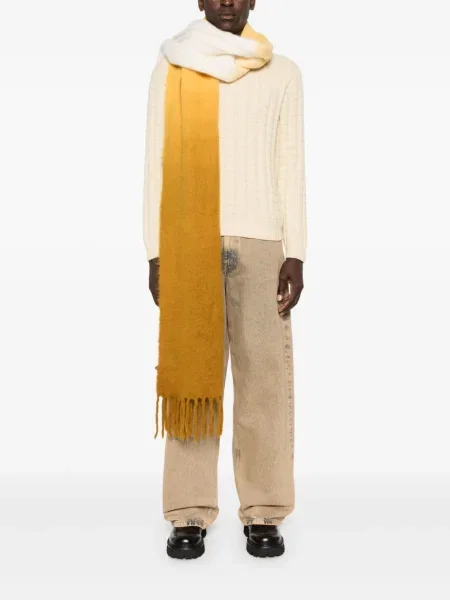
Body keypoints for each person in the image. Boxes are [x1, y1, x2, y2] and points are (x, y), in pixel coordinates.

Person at [143, 0, 306, 559]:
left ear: (253, 0)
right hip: (189, 242)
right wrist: (155, 253)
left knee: (264, 384)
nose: (228, 2)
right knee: (195, 382)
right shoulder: (174, 65)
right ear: (201, 1)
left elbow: (290, 164)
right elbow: (155, 163)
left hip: (262, 246)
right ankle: (188, 511)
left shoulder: (282, 72)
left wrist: (296, 252)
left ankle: (264, 510)